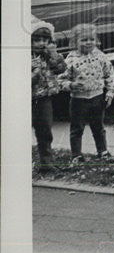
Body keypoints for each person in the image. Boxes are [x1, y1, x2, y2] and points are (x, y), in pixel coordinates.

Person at [64, 23, 114, 164]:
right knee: (77, 128)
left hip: (97, 97)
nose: (88, 43)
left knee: (98, 127)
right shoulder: (71, 59)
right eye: (84, 40)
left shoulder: (100, 56)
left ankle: (103, 152)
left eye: (91, 39)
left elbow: (109, 73)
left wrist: (110, 92)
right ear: (75, 42)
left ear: (96, 40)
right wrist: (71, 85)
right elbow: (60, 78)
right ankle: (76, 155)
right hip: (78, 100)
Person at [31, 16, 67, 174]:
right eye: (37, 39)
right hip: (26, 100)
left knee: (45, 130)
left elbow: (61, 69)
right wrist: (33, 73)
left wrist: (54, 55)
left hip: (44, 98)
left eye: (45, 39)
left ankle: (47, 163)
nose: (41, 43)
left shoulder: (48, 55)